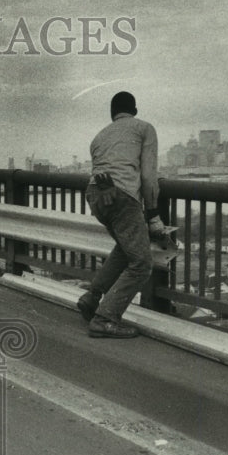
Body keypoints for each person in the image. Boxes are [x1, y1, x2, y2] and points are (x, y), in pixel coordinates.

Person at [76, 91, 166, 339]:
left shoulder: (99, 136)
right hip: (121, 196)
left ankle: (91, 297)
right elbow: (148, 176)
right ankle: (105, 318)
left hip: (95, 195)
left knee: (126, 249)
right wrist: (154, 215)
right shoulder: (144, 128)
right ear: (134, 111)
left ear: (112, 114)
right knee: (141, 264)